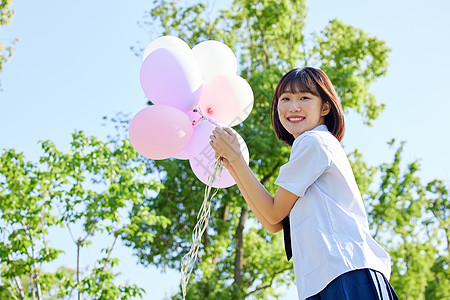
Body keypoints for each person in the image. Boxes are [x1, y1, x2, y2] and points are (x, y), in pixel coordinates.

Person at [209, 67, 399, 300]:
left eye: (304, 98)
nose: (293, 107)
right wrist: (232, 165)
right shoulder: (310, 147)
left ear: (325, 107)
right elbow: (274, 222)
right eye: (285, 98)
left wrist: (237, 159)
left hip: (345, 273)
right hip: (324, 279)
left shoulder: (314, 141)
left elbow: (274, 211)